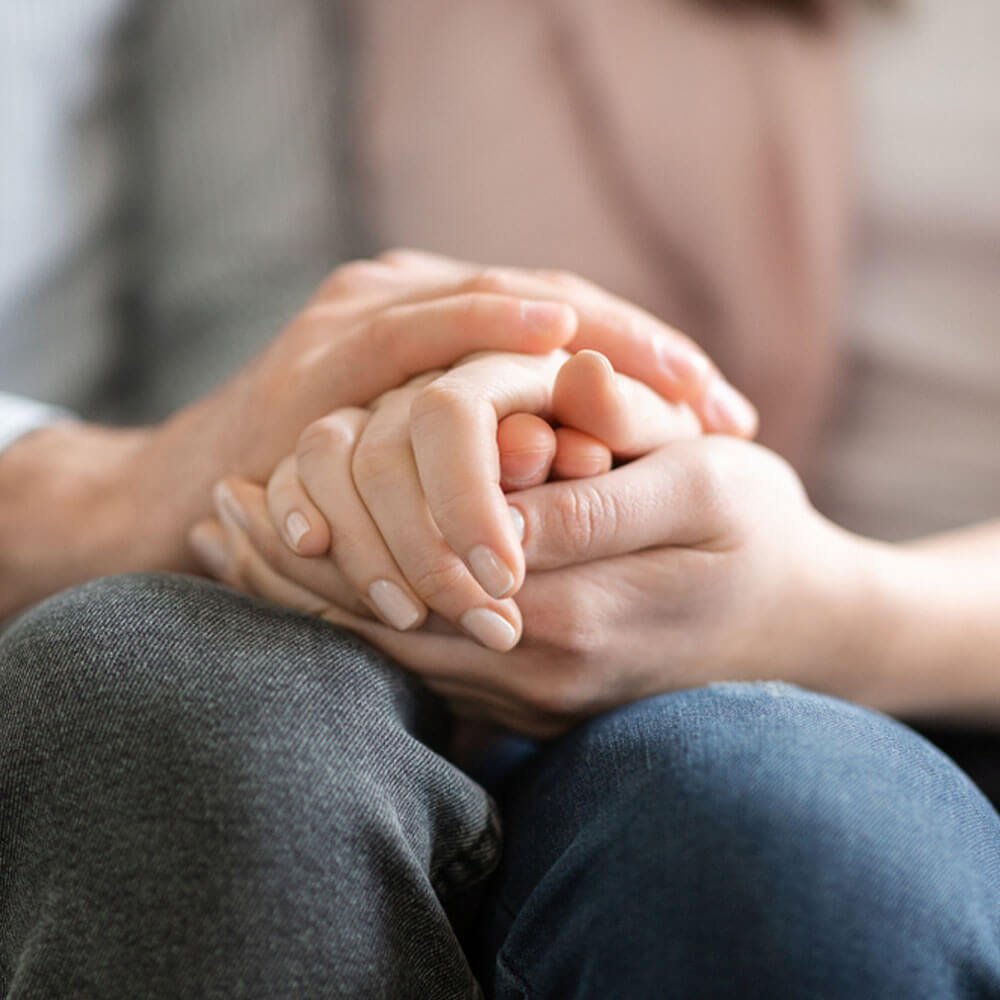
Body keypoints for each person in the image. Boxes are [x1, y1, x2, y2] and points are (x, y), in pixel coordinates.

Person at [3, 2, 1000, 1000]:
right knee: (159, 691)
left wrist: (838, 608)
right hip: (504, 622)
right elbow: (272, 300)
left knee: (776, 833)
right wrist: (414, 454)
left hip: (938, 643)